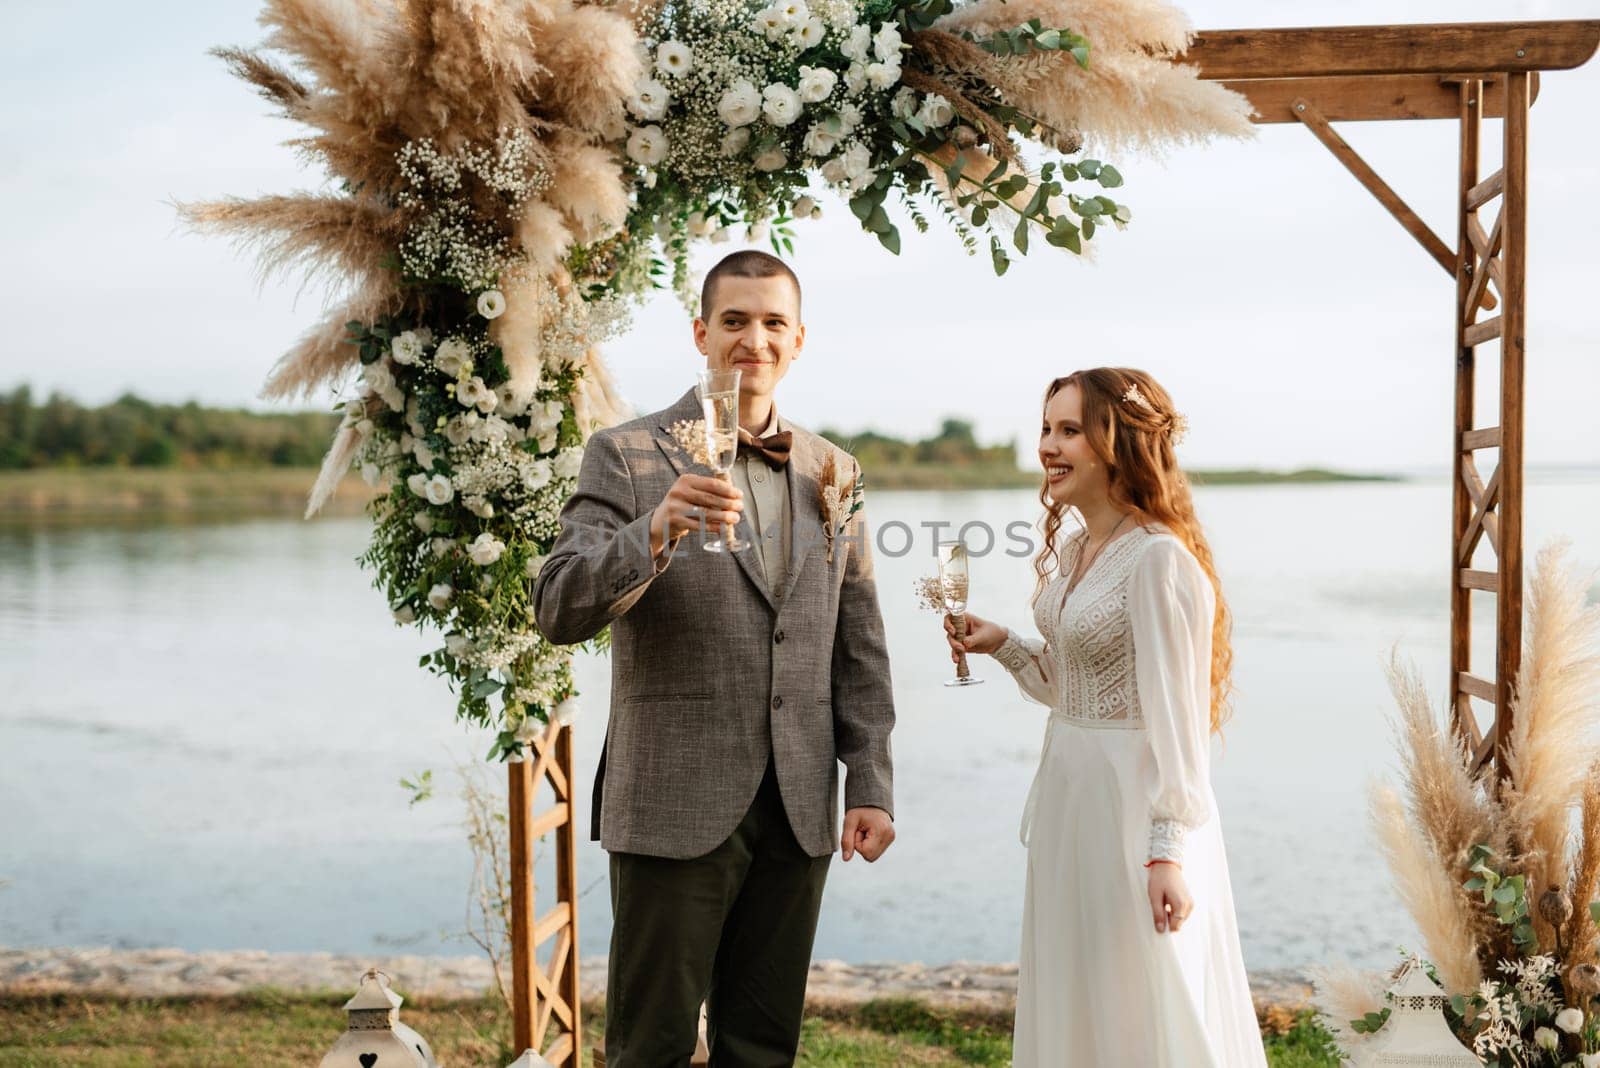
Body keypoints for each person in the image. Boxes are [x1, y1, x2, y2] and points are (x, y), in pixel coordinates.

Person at [534, 249, 896, 1067]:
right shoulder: (624, 456)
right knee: (650, 1048)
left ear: (798, 340)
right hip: (672, 800)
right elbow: (557, 606)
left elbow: (859, 642)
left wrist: (869, 778)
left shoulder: (836, 472)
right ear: (702, 331)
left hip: (800, 804)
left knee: (763, 1047)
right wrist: (653, 531)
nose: (753, 340)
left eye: (773, 323)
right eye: (734, 320)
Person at [946, 368, 1266, 1067]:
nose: (1049, 447)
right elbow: (1078, 690)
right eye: (1046, 428)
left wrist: (1166, 853)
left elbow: (1180, 729)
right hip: (1070, 798)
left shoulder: (1159, 561)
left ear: (1114, 444)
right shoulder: (1077, 550)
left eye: (1069, 430)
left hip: (1133, 810)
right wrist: (1001, 643)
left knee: (1143, 999)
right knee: (1077, 988)